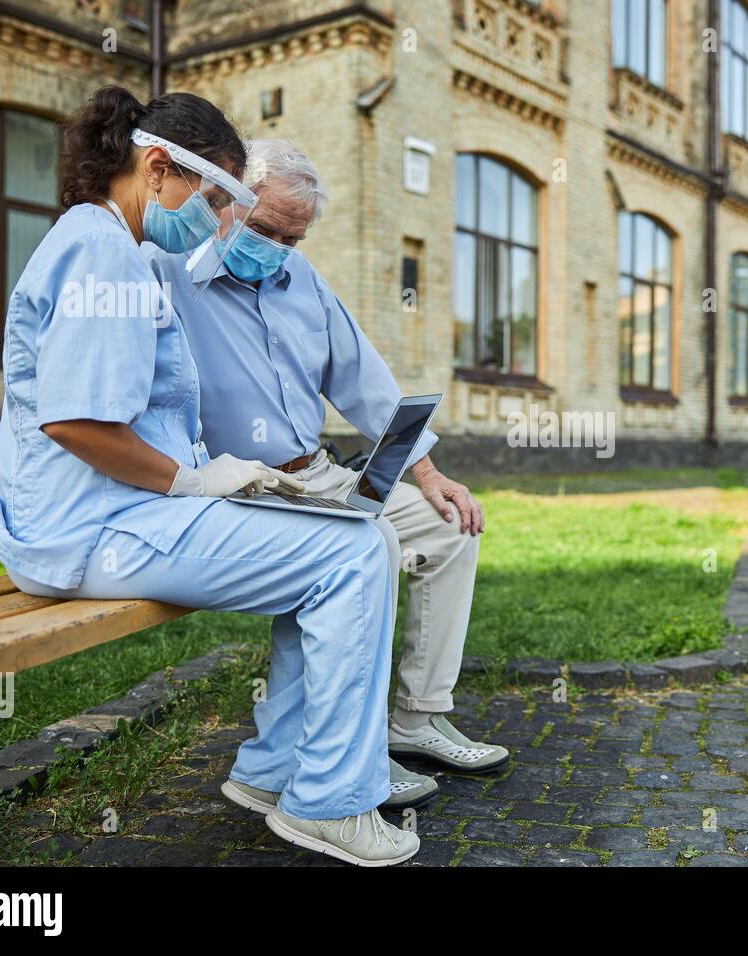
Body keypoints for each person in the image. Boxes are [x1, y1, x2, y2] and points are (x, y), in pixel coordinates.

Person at [0, 86, 415, 866]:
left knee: (340, 537)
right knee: (350, 556)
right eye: (215, 194)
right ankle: (328, 802)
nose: (219, 218)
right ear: (158, 168)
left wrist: (215, 476)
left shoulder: (110, 243)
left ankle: (277, 772)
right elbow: (75, 423)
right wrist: (195, 482)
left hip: (114, 516)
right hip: (91, 531)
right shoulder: (101, 251)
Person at [147, 139, 507, 813]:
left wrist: (428, 473)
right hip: (243, 488)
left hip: (316, 475)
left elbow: (365, 381)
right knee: (359, 557)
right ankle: (343, 749)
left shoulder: (301, 279)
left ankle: (416, 718)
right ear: (224, 203)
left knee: (448, 526)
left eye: (294, 236)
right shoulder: (169, 274)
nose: (279, 247)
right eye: (266, 229)